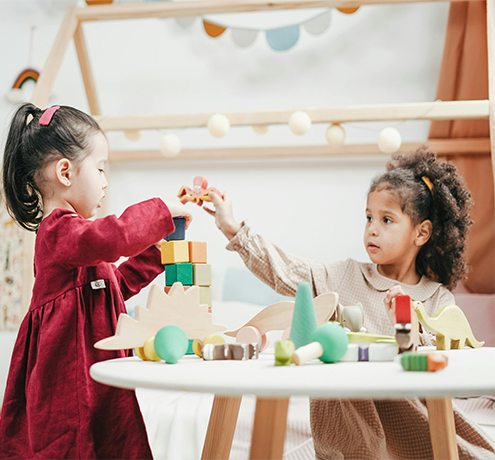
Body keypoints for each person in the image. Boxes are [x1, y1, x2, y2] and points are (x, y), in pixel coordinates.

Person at [205, 149, 495, 460]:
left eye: (386, 220)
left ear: (421, 232)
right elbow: (286, 270)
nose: (372, 228)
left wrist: (406, 323)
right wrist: (233, 229)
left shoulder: (437, 298)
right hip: (352, 430)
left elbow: (446, 365)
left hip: (413, 425)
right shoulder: (343, 275)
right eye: (369, 217)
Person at [0, 103, 192, 460]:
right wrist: (160, 210)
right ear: (66, 172)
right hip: (67, 383)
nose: (104, 182)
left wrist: (159, 254)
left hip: (98, 378)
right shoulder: (58, 231)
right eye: (100, 169)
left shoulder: (80, 245)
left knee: (113, 441)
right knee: (71, 446)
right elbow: (110, 239)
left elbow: (112, 283)